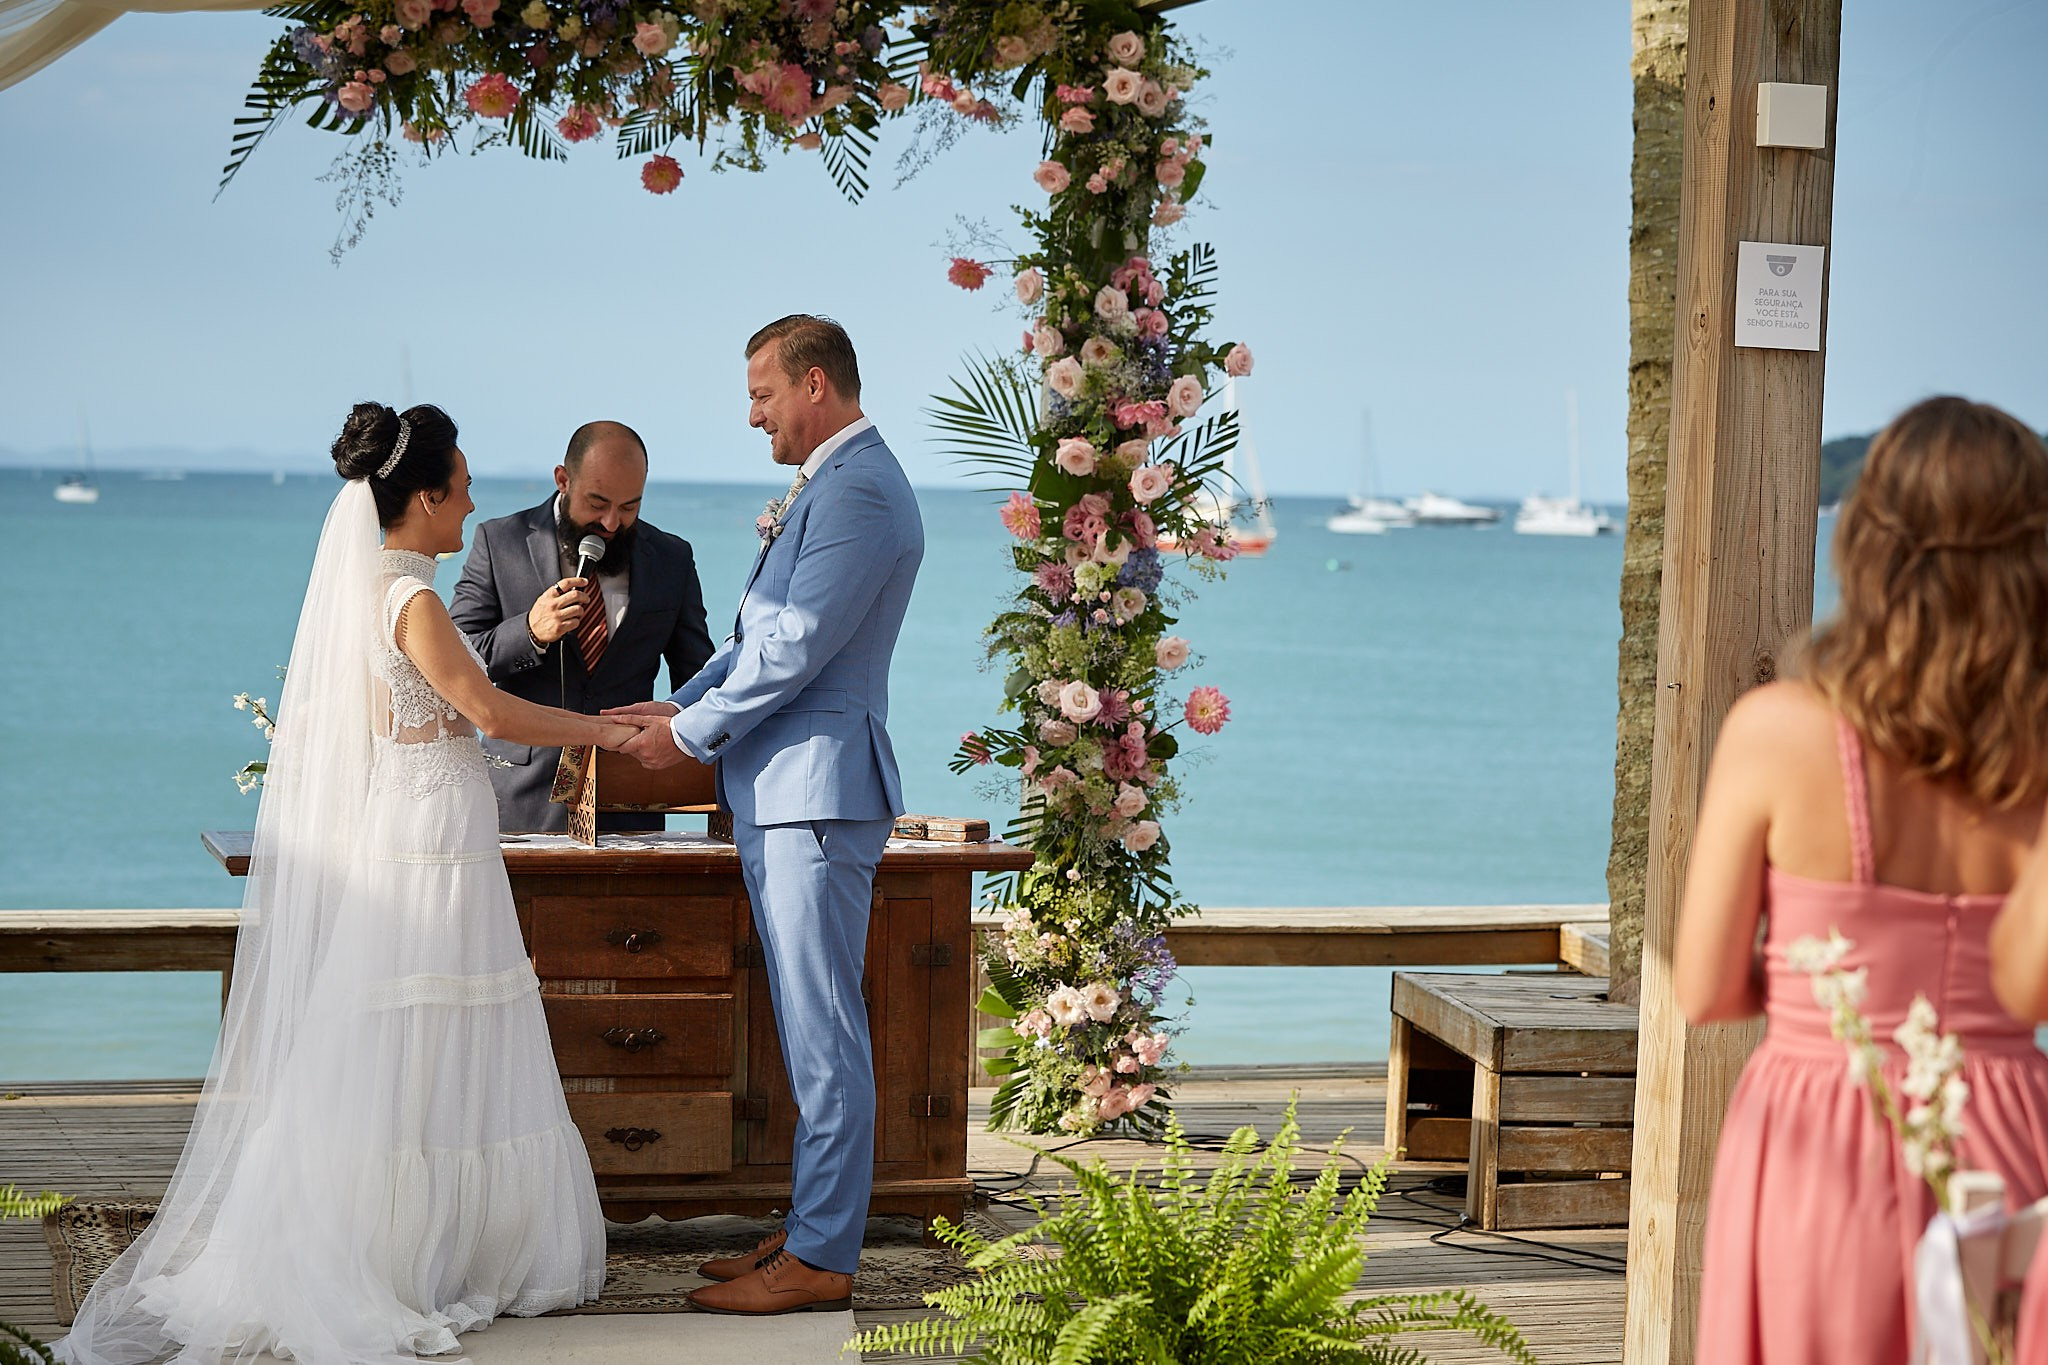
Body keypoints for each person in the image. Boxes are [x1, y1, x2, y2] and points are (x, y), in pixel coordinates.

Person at [56, 403, 648, 1365]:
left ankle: (429, 1238)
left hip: (421, 827)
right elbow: (489, 709)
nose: (471, 504)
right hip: (431, 845)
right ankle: (412, 1251)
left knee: (421, 1037)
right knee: (434, 1026)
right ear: (424, 497)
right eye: (461, 487)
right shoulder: (410, 600)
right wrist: (610, 730)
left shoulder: (374, 588)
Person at [1674, 396, 2048, 1364]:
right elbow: (2027, 989)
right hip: (2005, 1145)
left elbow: (1704, 988)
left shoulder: (1777, 730)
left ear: (1869, 547)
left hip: (1818, 1137)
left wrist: (1828, 995)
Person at [606, 315, 923, 1316]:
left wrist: (692, 739)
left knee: (823, 1031)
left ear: (814, 384)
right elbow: (756, 640)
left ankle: (823, 1256)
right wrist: (677, 705)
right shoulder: (834, 484)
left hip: (815, 792)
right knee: (803, 1025)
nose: (753, 416)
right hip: (786, 791)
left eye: (761, 394)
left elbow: (797, 647)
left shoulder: (859, 489)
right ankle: (810, 1226)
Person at [450, 419, 714, 831]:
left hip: (629, 801)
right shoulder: (498, 542)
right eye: (597, 503)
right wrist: (530, 632)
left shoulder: (672, 558)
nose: (611, 523)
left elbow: (697, 678)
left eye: (629, 507)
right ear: (563, 480)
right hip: (520, 799)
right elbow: (456, 663)